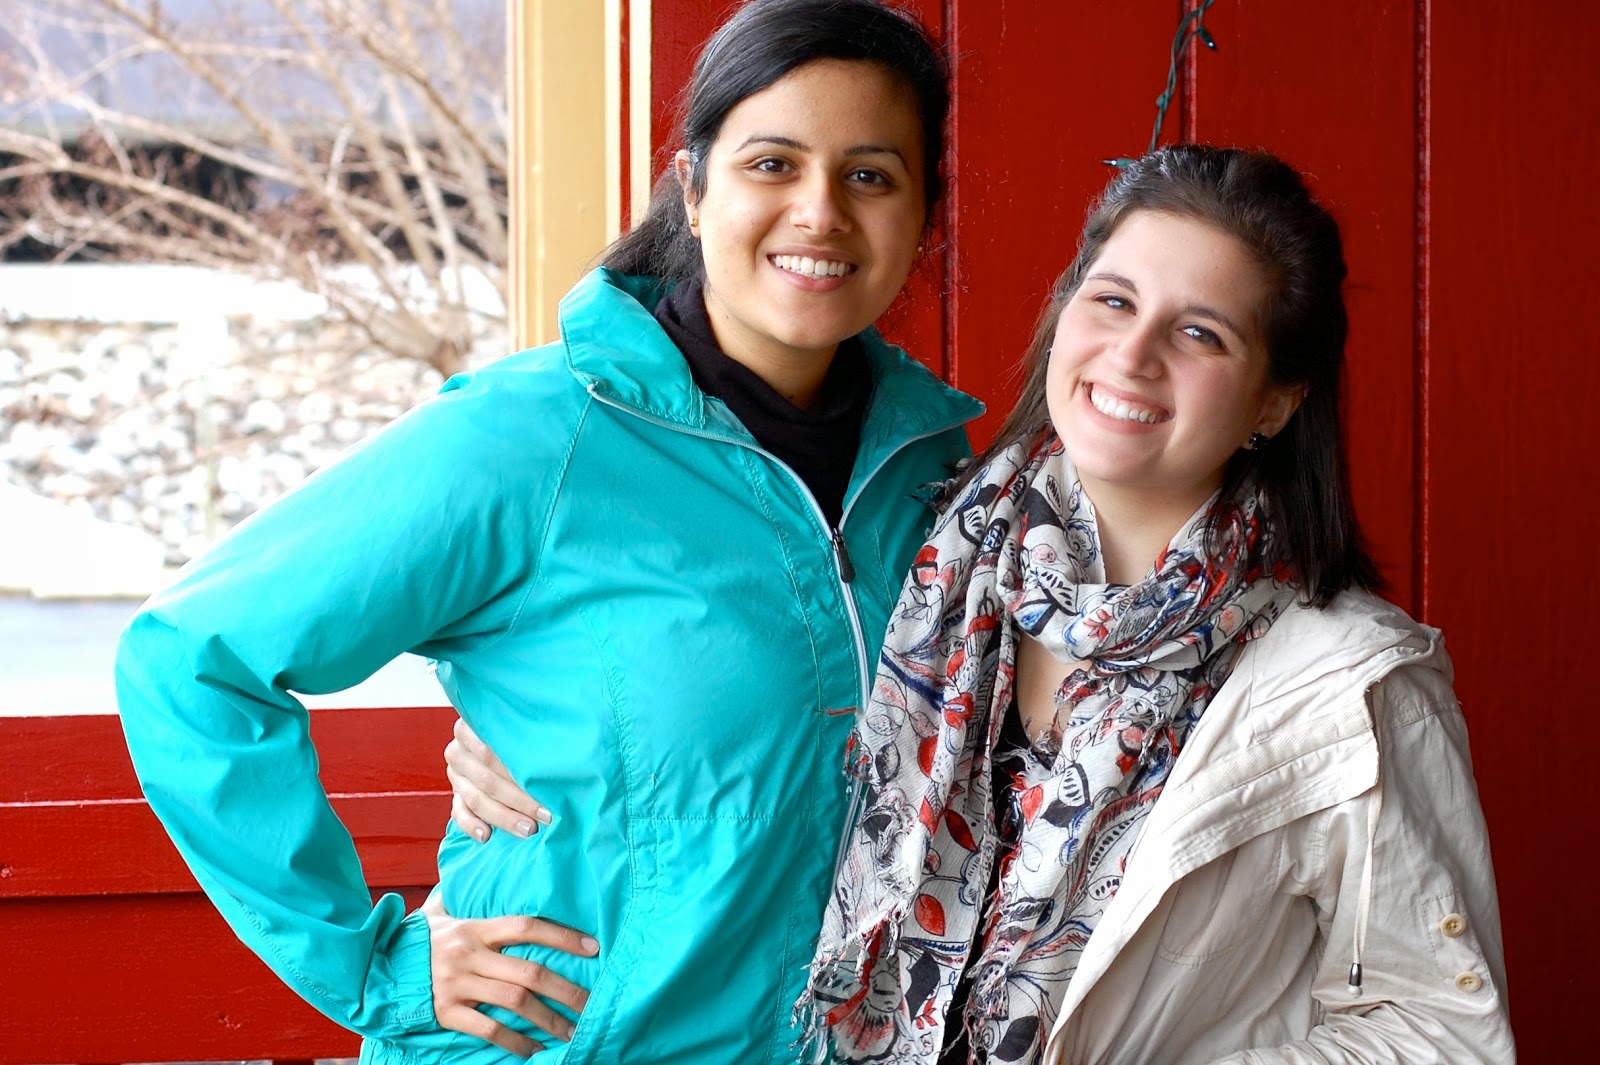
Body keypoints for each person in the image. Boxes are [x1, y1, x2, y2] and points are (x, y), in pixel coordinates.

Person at [452, 147, 1514, 1064]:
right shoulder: (918, 559)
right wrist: (548, 734)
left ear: (1275, 401)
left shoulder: (1351, 687)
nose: (1133, 355)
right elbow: (716, 698)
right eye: (1113, 301)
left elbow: (1439, 1031)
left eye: (1201, 334)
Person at [114, 2, 979, 1063]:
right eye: (771, 164)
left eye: (869, 175)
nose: (819, 212)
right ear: (693, 188)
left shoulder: (939, 467)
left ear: (923, 213)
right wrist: (370, 965)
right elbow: (190, 658)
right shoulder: (529, 437)